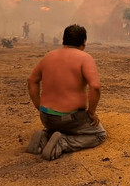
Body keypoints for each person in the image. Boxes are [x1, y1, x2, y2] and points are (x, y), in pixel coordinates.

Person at [26, 24, 106, 160]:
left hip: (46, 117)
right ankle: (63, 143)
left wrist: (38, 106)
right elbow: (95, 86)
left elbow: (31, 80)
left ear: (64, 40)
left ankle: (44, 137)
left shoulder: (49, 56)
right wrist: (92, 113)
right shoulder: (84, 58)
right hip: (71, 119)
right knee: (99, 135)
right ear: (84, 42)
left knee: (58, 128)